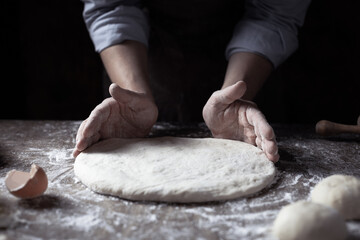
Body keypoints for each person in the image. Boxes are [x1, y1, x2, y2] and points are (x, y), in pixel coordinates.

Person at [73, 0, 311, 162]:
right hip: (143, 60)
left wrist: (235, 95)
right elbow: (113, 6)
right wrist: (133, 97)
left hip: (251, 70)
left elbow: (273, 14)